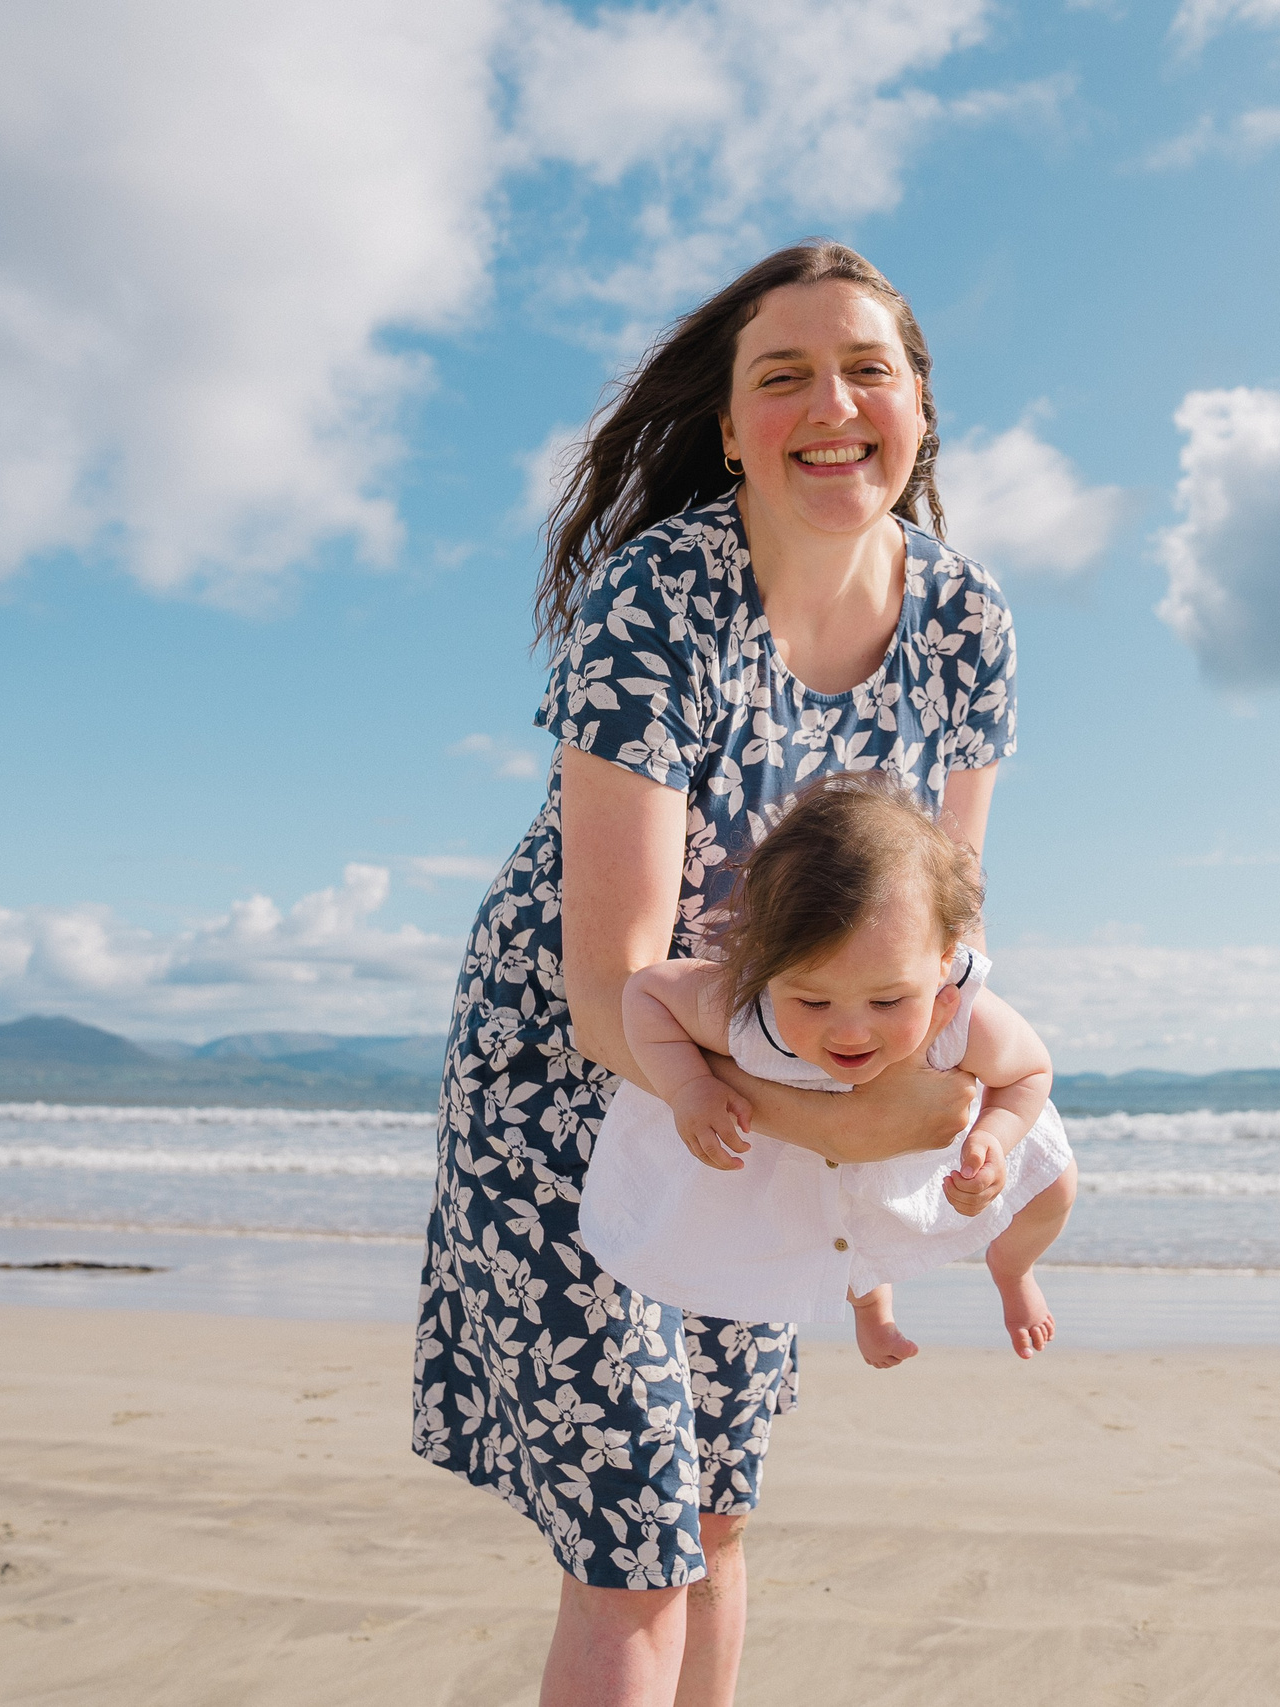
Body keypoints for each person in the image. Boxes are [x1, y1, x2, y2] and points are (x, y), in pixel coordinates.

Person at [410, 239, 1017, 1707]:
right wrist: (830, 1122)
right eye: (783, 373)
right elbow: (615, 974)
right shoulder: (656, 597)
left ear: (919, 405)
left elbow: (948, 927)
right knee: (634, 1548)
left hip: (796, 1058)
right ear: (735, 420)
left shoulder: (966, 626)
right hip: (576, 1070)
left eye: (868, 367)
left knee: (719, 1509)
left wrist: (953, 1110)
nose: (832, 402)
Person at [583, 774, 1078, 1368]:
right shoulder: (746, 1008)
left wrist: (994, 1137)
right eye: (812, 1002)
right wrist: (689, 1086)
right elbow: (646, 994)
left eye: (888, 1002)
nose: (849, 1032)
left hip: (930, 1136)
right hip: (806, 1153)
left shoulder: (965, 1015)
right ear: (765, 966)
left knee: (1056, 1183)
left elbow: (1030, 1072)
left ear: (944, 963)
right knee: (830, 1224)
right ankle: (874, 1314)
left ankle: (1014, 1268)